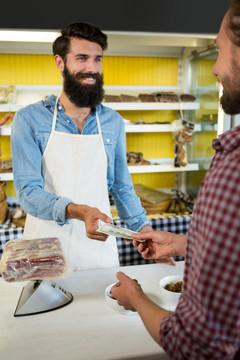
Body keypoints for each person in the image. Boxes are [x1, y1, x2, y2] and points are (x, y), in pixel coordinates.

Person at [111, 1, 240, 358]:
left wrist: (136, 299)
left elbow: (197, 345)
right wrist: (185, 243)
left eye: (221, 49)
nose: (214, 68)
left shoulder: (232, 168)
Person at [11, 22, 152, 270]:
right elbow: (28, 193)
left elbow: (121, 187)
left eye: (97, 59)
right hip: (45, 250)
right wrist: (80, 211)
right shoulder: (30, 120)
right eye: (82, 58)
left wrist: (146, 233)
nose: (92, 68)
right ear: (60, 62)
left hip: (98, 250)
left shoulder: (112, 122)